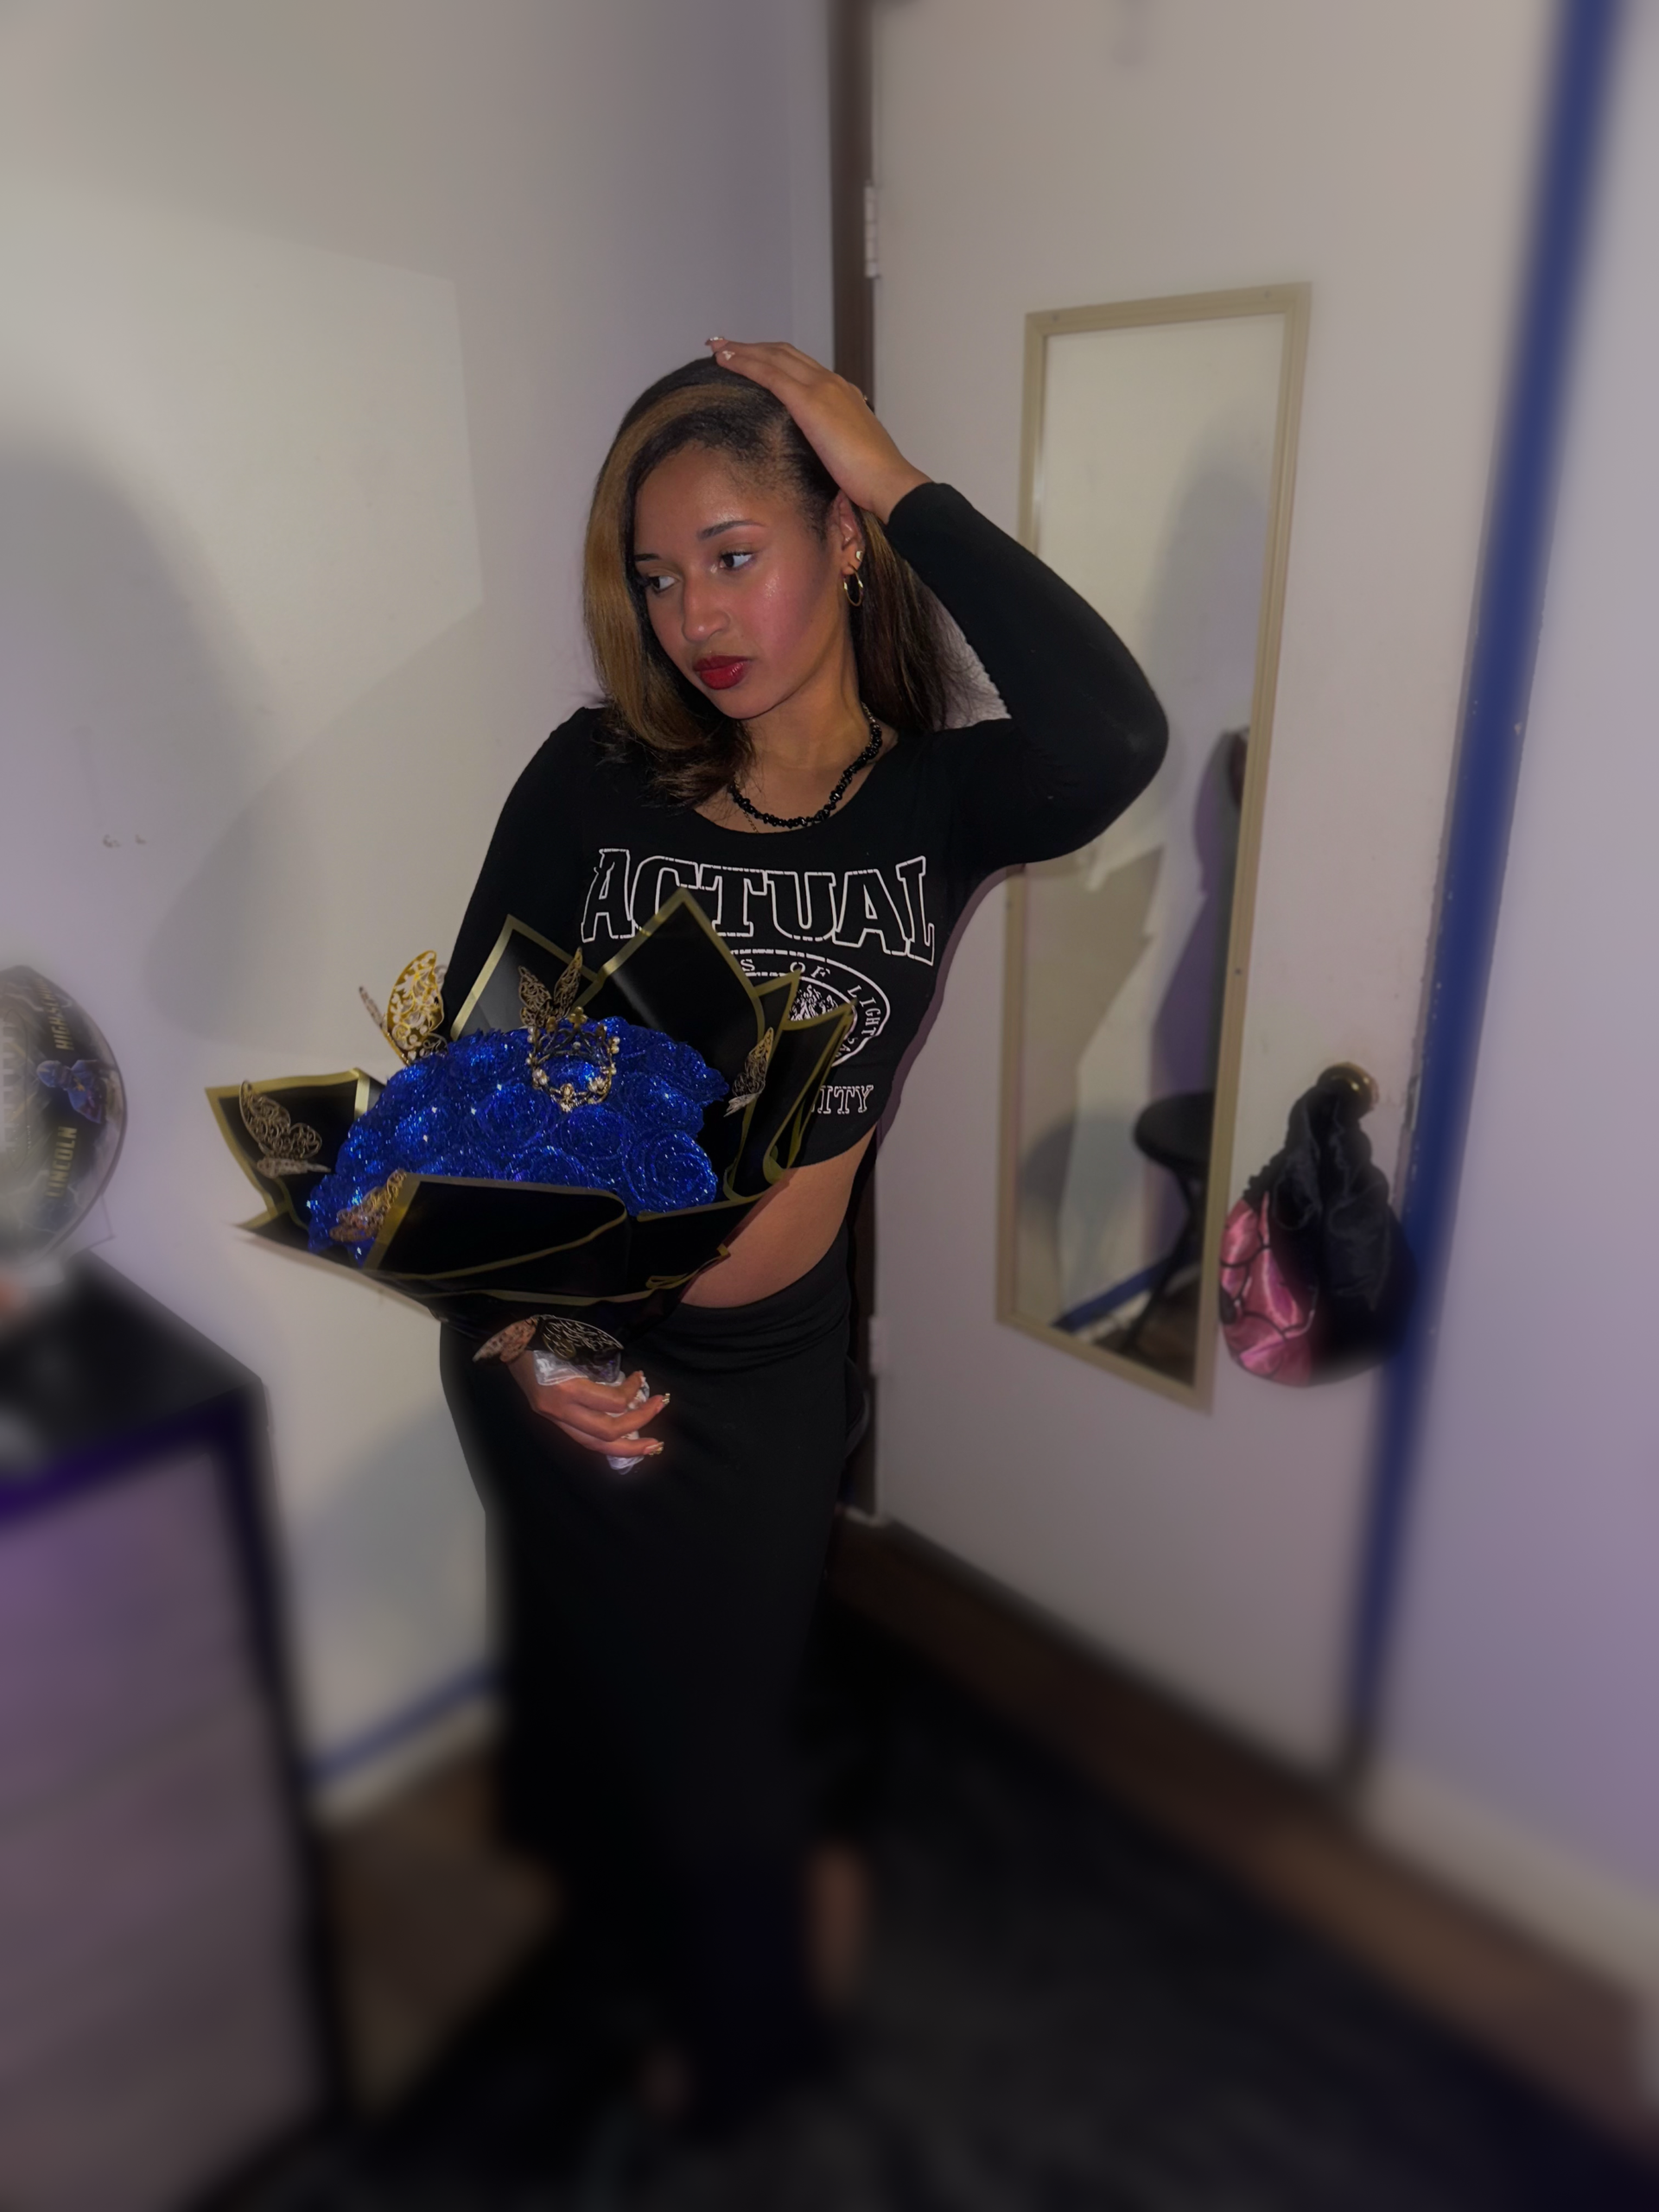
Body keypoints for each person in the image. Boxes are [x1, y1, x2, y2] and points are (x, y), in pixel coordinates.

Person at [439, 340, 1166, 2136]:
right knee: (623, 1689)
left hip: (764, 1366)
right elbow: (471, 1062)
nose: (694, 613)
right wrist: (525, 1330)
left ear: (841, 543)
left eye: (734, 551)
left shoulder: (938, 803)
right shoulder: (594, 777)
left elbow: (1116, 737)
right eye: (658, 575)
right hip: (564, 1333)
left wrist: (890, 470)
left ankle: (744, 2019)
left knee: (723, 1707)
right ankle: (682, 1955)